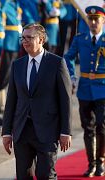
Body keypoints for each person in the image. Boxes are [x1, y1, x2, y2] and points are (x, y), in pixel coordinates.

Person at [2, 23, 72, 179]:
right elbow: (11, 100)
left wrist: (65, 131)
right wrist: (6, 132)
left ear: (41, 39)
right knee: (23, 175)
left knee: (46, 174)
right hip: (22, 130)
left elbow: (65, 100)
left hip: (47, 130)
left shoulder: (57, 63)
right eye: (23, 38)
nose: (24, 41)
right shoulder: (17, 65)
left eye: (29, 37)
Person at [64, 5, 105, 177]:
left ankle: (101, 160)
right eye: (91, 19)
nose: (93, 22)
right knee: (87, 127)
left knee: (102, 127)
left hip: (103, 89)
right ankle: (91, 163)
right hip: (85, 89)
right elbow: (68, 57)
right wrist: (72, 76)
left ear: (103, 20)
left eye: (97, 19)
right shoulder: (80, 38)